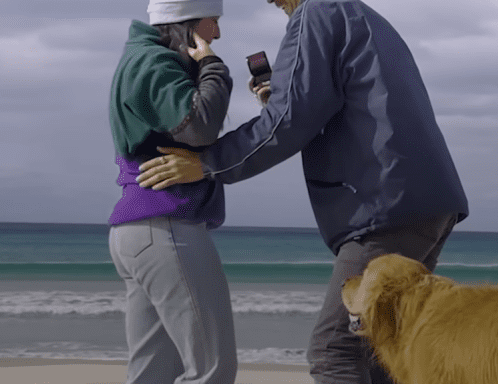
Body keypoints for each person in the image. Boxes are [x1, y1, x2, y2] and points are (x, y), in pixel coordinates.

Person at [135, 0, 469, 382]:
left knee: (333, 352)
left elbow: (288, 121)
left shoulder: (316, 14)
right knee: (380, 352)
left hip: (384, 208)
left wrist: (208, 163)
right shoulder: (356, 14)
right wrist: (279, 96)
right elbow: (329, 107)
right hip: (425, 201)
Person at [107, 0, 237, 382]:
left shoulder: (145, 59)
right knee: (212, 371)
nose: (217, 34)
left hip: (143, 229)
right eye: (213, 21)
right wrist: (214, 68)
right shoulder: (153, 63)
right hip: (166, 226)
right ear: (188, 24)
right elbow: (200, 125)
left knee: (152, 374)